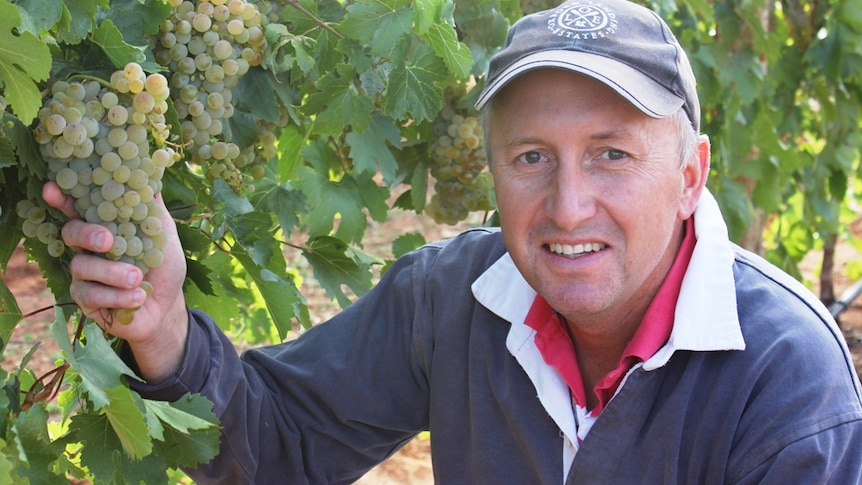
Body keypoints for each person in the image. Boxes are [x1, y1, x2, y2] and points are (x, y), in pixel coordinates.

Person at [44, 0, 862, 483]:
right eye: (532, 158)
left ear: (691, 175)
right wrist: (163, 328)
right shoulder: (450, 298)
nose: (569, 206)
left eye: (612, 154)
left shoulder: (788, 379)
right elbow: (282, 442)